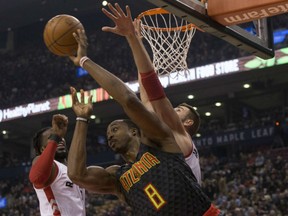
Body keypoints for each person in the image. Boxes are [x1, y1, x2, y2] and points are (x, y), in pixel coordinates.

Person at [67, 3, 222, 215]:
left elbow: (137, 100)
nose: (109, 134)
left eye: (114, 128)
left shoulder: (173, 140)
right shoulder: (119, 176)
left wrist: (86, 60)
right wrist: (82, 120)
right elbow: (77, 176)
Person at [109, 11, 202, 184]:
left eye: (179, 110)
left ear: (187, 122)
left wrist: (134, 40)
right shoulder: (169, 135)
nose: (173, 110)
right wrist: (138, 44)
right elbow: (146, 98)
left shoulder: (180, 134)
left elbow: (153, 89)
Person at [29, 114, 86, 216]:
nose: (59, 139)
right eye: (52, 137)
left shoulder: (74, 171)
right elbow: (37, 177)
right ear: (43, 149)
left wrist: (82, 118)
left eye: (60, 136)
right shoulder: (47, 165)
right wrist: (55, 138)